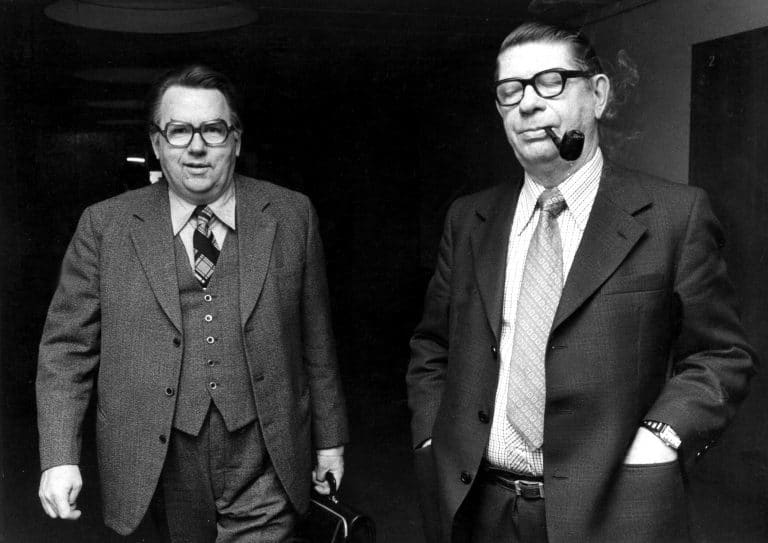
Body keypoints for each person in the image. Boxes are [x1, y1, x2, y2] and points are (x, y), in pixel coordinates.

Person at [406, 21, 755, 543]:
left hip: (613, 509)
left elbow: (722, 356)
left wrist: (662, 436)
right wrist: (432, 435)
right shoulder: (469, 219)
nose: (527, 103)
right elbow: (432, 345)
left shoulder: (674, 216)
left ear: (598, 95)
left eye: (550, 82)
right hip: (476, 509)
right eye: (510, 90)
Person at [36, 65, 348, 541]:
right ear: (157, 143)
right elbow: (66, 350)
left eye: (213, 129)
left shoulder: (291, 215)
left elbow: (317, 342)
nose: (196, 146)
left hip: (264, 456)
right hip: (155, 463)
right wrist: (59, 457)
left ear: (235, 140)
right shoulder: (105, 226)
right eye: (179, 131)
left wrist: (330, 441)